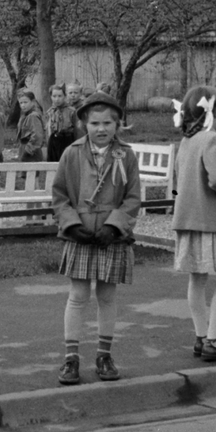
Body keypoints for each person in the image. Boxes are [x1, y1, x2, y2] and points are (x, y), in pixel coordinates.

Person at [50, 91, 141, 386]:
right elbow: (60, 196)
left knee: (107, 296)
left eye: (107, 123)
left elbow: (132, 198)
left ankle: (104, 355)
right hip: (81, 236)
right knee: (77, 297)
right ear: (84, 125)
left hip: (110, 238)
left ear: (117, 125)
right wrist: (71, 225)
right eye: (94, 123)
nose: (101, 129)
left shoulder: (126, 155)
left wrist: (114, 227)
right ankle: (71, 359)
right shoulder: (71, 153)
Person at [172, 87, 216, 362]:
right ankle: (214, 339)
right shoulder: (214, 139)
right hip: (213, 221)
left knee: (197, 278)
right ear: (213, 112)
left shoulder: (187, 141)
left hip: (189, 219)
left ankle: (201, 336)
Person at [46, 83, 80, 164]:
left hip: (67, 140)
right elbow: (48, 129)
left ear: (64, 96)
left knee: (67, 164)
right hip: (54, 141)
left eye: (59, 96)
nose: (57, 99)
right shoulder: (50, 112)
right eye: (54, 96)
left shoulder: (71, 111)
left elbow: (77, 129)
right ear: (51, 97)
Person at [16, 88, 45, 162]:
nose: (23, 105)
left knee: (30, 172)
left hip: (31, 151)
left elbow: (37, 136)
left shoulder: (33, 116)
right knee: (22, 172)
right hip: (24, 147)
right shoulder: (24, 115)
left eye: (25, 102)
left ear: (33, 102)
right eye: (21, 103)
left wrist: (27, 151)